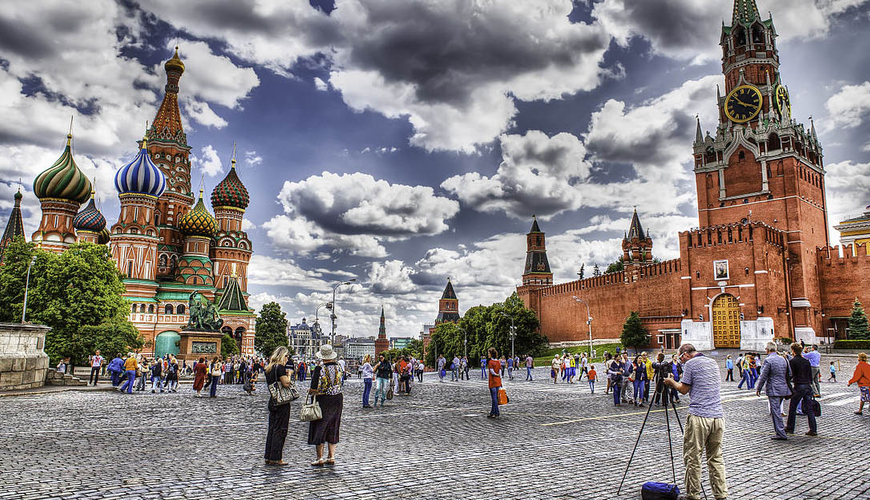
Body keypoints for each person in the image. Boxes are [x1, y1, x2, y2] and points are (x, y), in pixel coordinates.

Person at [663, 344, 727, 500]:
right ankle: (721, 494)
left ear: (685, 354)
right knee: (716, 457)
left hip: (699, 416)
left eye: (681, 359)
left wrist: (671, 382)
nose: (682, 362)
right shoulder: (712, 362)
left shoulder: (691, 364)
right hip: (717, 416)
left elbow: (683, 389)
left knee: (693, 457)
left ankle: (693, 494)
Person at [308, 344, 344, 466]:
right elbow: (341, 382)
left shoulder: (319, 369)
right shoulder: (339, 367)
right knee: (334, 425)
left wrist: (311, 391)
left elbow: (314, 387)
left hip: (323, 399)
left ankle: (319, 457)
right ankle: (331, 456)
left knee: (320, 426)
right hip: (337, 398)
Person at [755, 342, 791, 440]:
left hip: (773, 389)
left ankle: (781, 433)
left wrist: (758, 388)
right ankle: (781, 431)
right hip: (783, 388)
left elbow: (763, 376)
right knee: (777, 410)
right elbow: (789, 373)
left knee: (775, 412)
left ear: (768, 350)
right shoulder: (783, 359)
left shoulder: (768, 360)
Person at [264, 346, 293, 466]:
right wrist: (289, 375)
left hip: (273, 400)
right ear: (282, 356)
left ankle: (268, 456)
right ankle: (276, 457)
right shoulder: (280, 367)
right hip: (282, 402)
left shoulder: (269, 368)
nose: (287, 359)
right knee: (280, 430)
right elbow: (286, 383)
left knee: (272, 429)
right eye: (287, 356)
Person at [784, 342, 817, 436]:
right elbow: (810, 376)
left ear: (793, 351)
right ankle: (813, 429)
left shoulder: (792, 361)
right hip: (807, 386)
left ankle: (790, 427)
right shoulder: (806, 361)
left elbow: (790, 375)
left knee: (793, 407)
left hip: (799, 385)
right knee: (809, 409)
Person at [487, 347, 502, 418]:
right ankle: (493, 412)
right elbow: (500, 371)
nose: (488, 354)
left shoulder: (490, 362)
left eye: (489, 353)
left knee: (494, 398)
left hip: (492, 382)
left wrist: (496, 375)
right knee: (495, 397)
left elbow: (492, 372)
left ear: (491, 354)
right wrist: (499, 377)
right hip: (498, 381)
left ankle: (496, 412)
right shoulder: (498, 362)